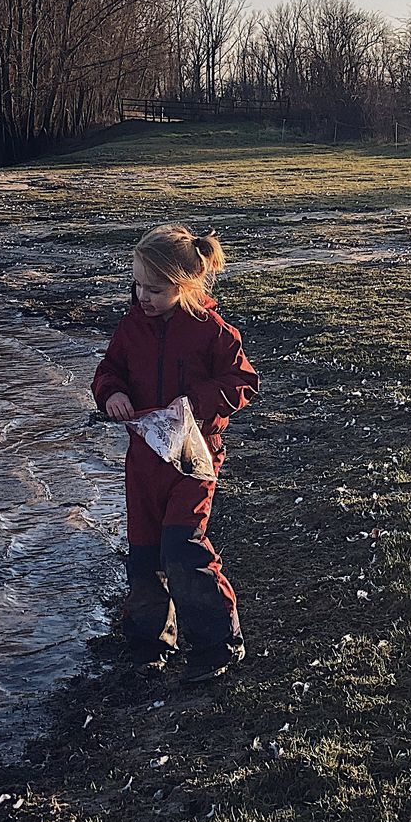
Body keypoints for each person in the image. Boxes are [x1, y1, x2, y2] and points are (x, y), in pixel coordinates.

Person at [93, 225, 259, 684]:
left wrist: (197, 404)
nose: (143, 296)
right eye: (138, 285)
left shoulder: (214, 333)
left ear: (185, 285)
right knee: (145, 555)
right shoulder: (132, 326)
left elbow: (243, 383)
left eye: (155, 289)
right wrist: (111, 395)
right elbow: (108, 371)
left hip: (193, 458)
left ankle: (217, 644)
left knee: (183, 547)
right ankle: (149, 643)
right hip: (144, 460)